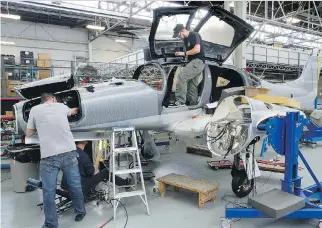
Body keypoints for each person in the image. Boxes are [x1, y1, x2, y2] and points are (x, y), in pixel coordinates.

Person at [26, 93, 86, 228]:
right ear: (53, 99)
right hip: (68, 152)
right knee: (75, 185)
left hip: (49, 156)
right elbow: (74, 112)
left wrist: (42, 128)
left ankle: (51, 224)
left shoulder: (35, 110)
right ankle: (80, 212)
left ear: (42, 101)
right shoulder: (61, 106)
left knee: (49, 191)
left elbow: (29, 132)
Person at [61, 141, 129, 196]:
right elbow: (92, 172)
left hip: (66, 188)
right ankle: (125, 183)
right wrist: (98, 157)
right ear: (85, 141)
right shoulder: (84, 156)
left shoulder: (69, 153)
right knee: (105, 172)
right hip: (79, 189)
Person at [169, 24, 206, 107]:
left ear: (182, 31)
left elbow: (197, 50)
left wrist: (183, 53)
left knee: (182, 77)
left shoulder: (194, 35)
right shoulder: (185, 40)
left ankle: (180, 101)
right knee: (192, 85)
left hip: (198, 62)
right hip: (194, 62)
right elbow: (189, 54)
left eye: (178, 35)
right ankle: (193, 105)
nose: (178, 37)